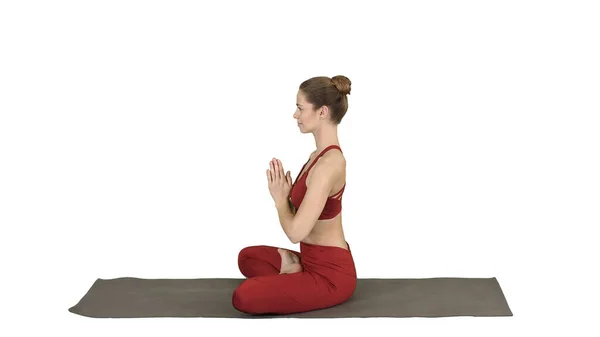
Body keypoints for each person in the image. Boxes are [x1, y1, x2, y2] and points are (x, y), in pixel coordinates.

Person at [232, 75, 356, 315]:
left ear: (322, 112)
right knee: (247, 257)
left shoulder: (329, 165)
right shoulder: (316, 156)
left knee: (244, 297)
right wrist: (289, 197)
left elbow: (295, 232)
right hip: (309, 260)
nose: (295, 115)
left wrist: (280, 201)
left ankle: (292, 274)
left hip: (331, 276)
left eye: (300, 108)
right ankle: (293, 271)